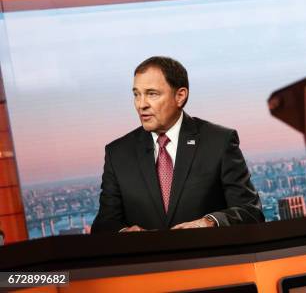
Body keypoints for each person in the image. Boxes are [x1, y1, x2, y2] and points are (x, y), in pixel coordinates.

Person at [92, 56, 264, 233]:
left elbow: (251, 212)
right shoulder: (118, 153)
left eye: (152, 94)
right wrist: (123, 233)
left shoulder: (219, 141)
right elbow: (104, 224)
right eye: (136, 94)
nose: (141, 104)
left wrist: (209, 222)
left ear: (180, 96)